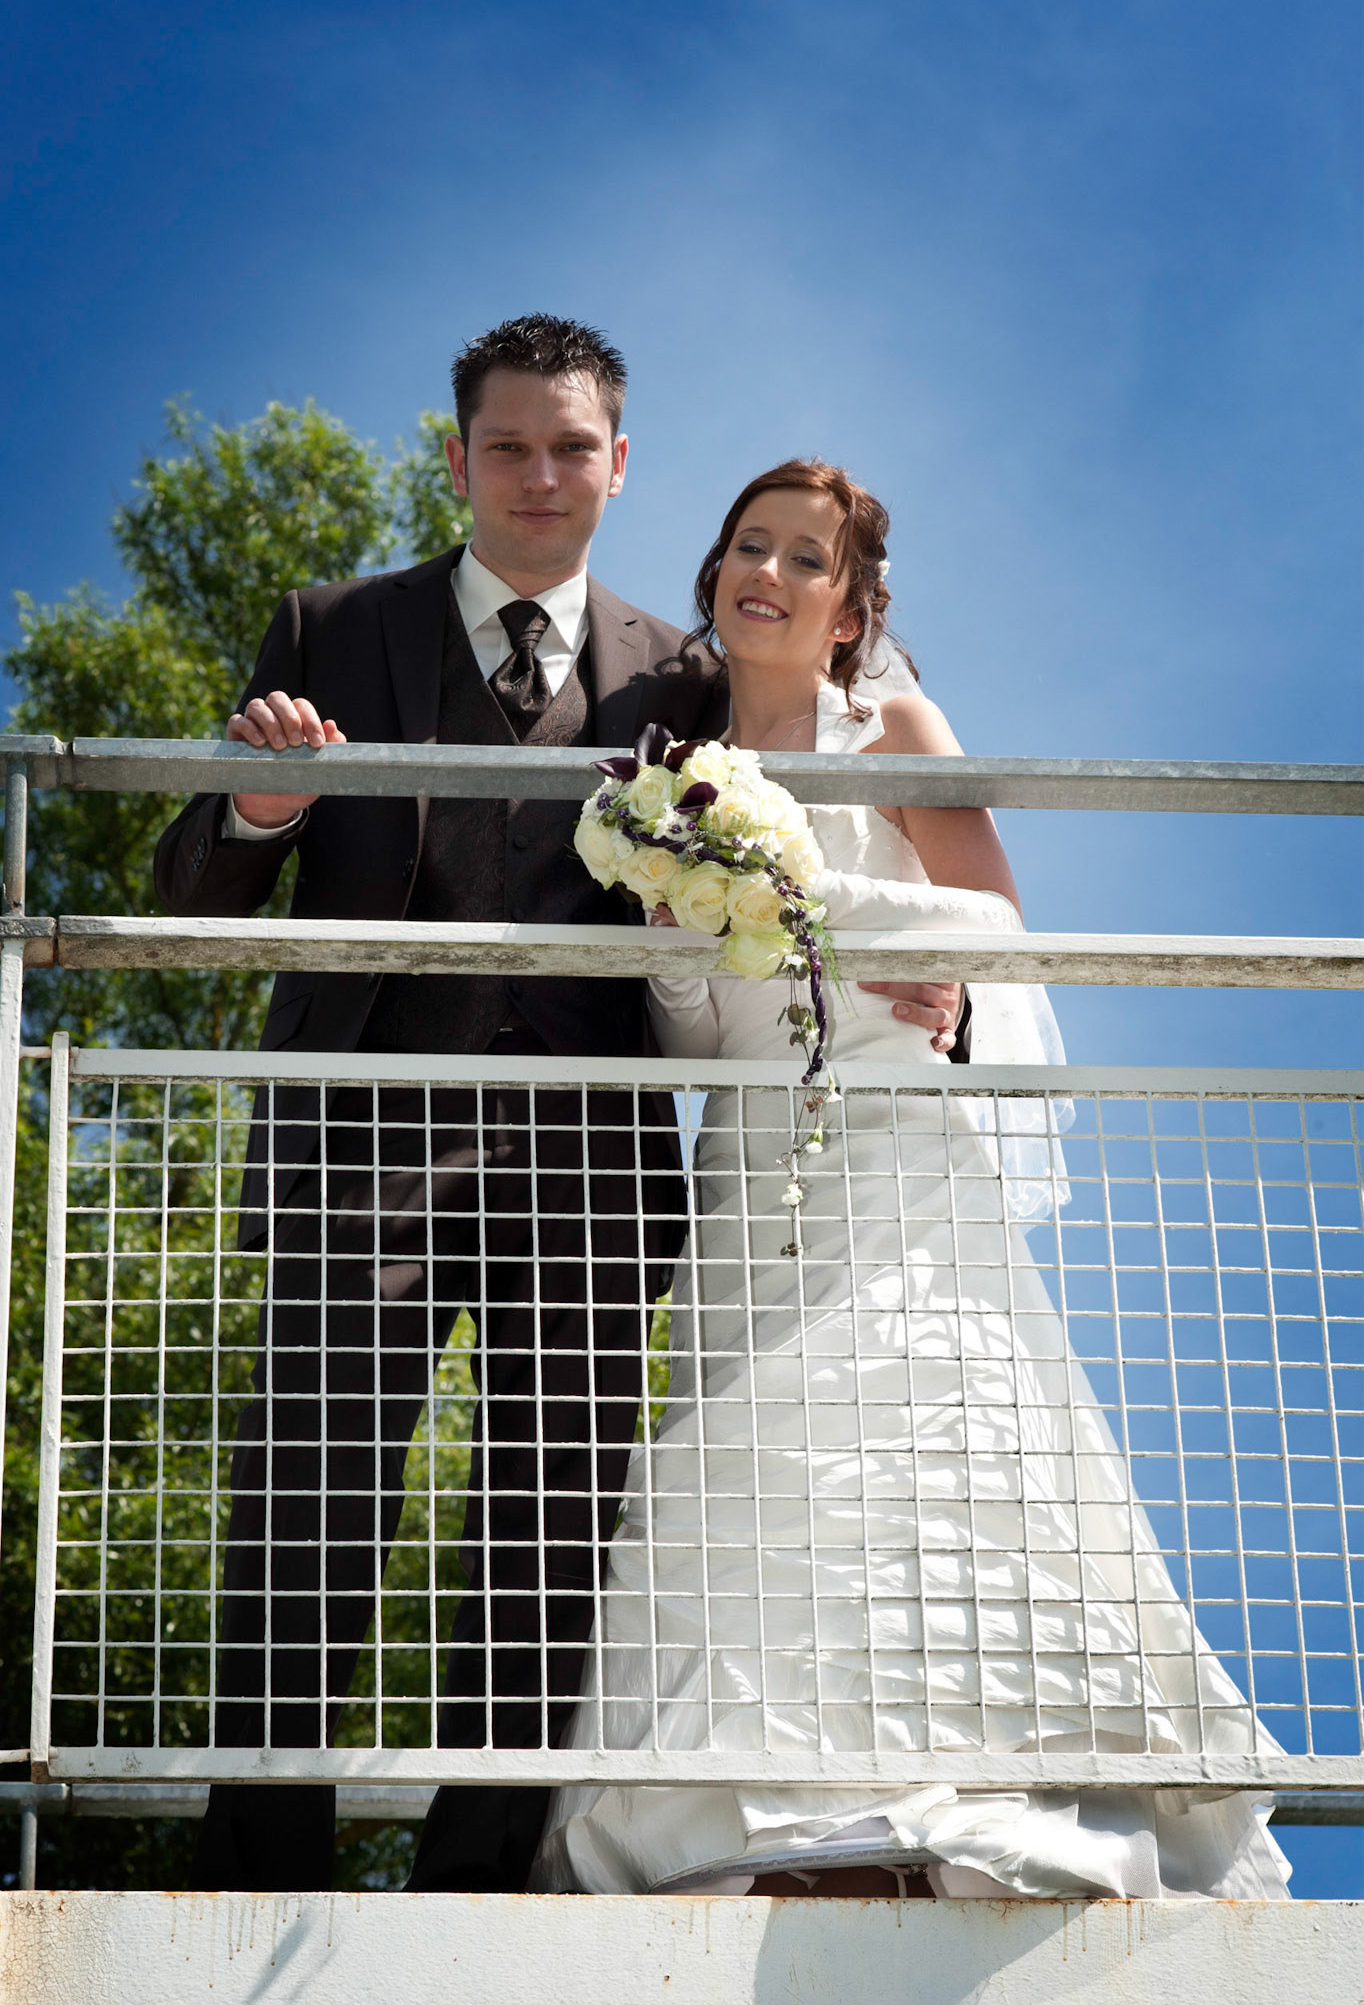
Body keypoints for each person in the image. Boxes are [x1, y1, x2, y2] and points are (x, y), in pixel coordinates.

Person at [153, 322, 959, 1895]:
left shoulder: (685, 674)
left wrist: (920, 968)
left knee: (548, 1537)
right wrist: (261, 802)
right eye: (509, 447)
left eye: (572, 447)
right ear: (459, 459)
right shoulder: (331, 627)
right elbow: (191, 885)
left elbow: (828, 790)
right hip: (363, 1138)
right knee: (307, 1506)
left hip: (590, 1160)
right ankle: (255, 1873)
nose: (541, 475)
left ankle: (478, 1894)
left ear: (619, 463)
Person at [530, 459, 1292, 1902]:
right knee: (759, 1479)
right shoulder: (667, 783)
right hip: (750, 1164)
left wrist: (812, 906)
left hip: (892, 1145)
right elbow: (694, 1037)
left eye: (804, 559)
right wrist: (686, 935)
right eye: (748, 546)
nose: (766, 573)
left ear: (849, 608)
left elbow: (991, 924)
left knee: (925, 1445)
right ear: (714, 574)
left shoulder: (893, 728)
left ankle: (986, 1806)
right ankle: (766, 1826)